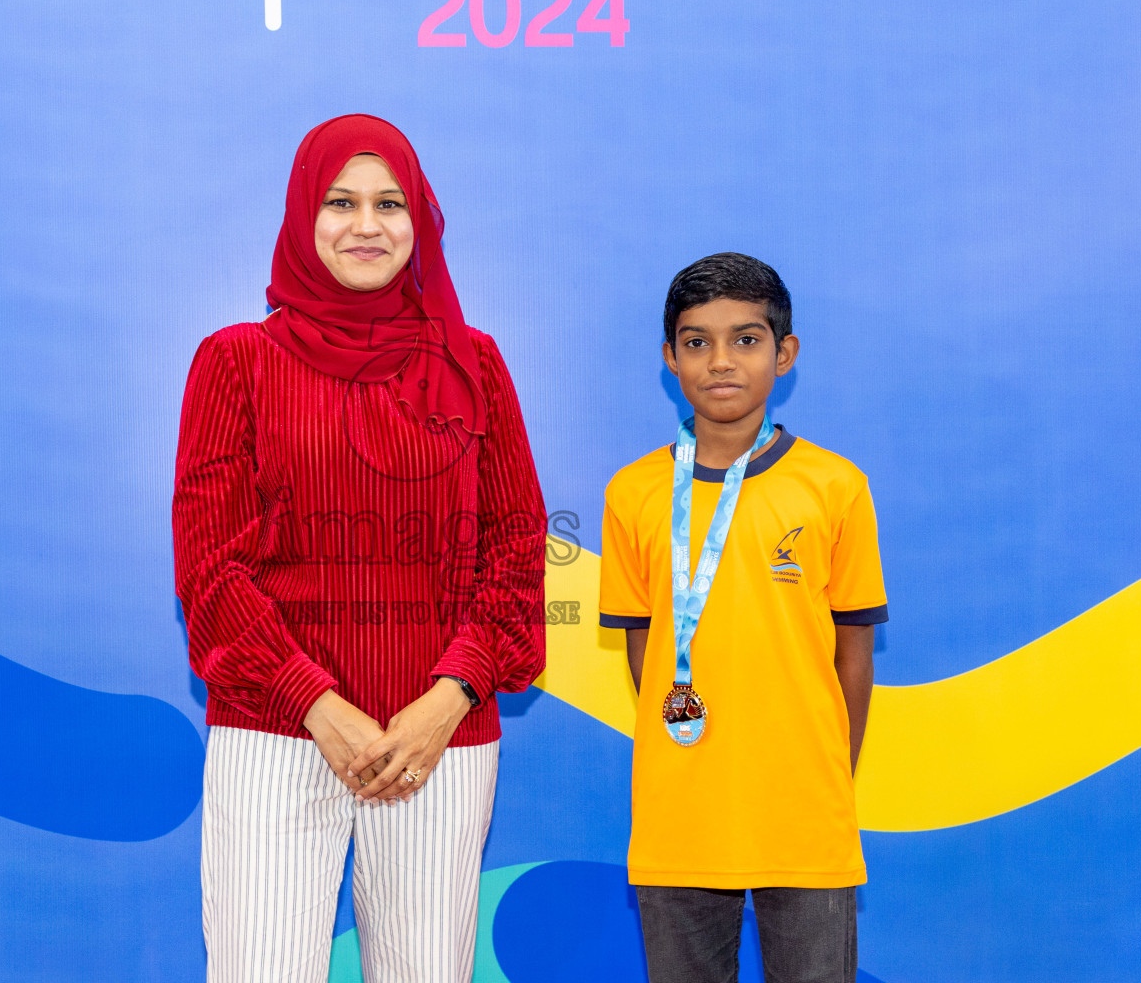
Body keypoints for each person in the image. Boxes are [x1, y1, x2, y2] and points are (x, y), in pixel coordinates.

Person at [173, 113, 546, 983]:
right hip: (277, 732)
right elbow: (211, 568)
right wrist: (316, 704)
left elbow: (518, 548)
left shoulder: (474, 364)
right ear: (304, 217)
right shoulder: (235, 363)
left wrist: (446, 699)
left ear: (421, 222)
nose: (366, 224)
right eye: (340, 201)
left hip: (439, 743)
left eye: (390, 203)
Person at [599, 253, 887, 983]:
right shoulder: (633, 493)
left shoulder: (835, 486)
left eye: (746, 339)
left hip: (804, 818)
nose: (720, 361)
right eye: (696, 342)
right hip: (681, 815)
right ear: (669, 358)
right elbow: (646, 649)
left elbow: (853, 652)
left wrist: (821, 774)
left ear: (784, 354)